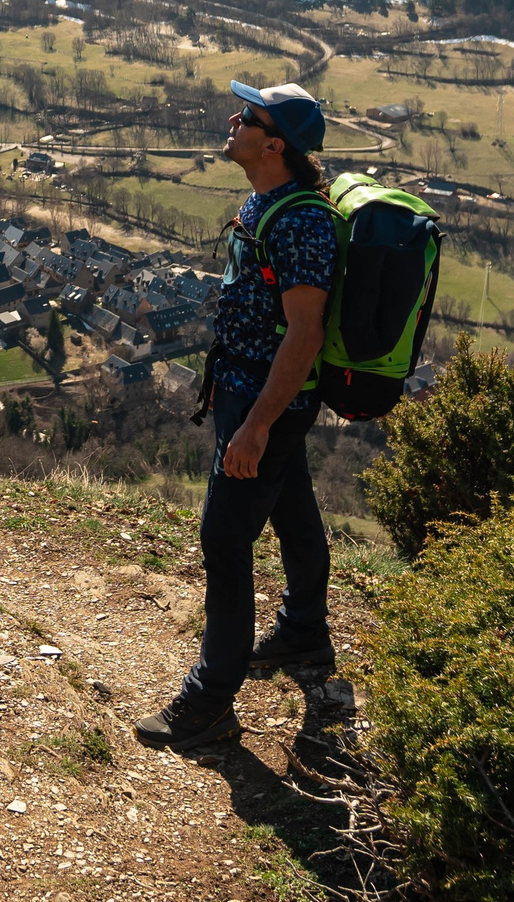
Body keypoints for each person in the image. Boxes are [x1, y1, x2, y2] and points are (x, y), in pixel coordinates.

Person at [134, 80, 337, 750]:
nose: (233, 119)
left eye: (246, 116)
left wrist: (255, 425)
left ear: (274, 143)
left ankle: (210, 698)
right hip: (251, 393)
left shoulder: (302, 220)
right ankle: (305, 627)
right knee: (293, 504)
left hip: (267, 405)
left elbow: (303, 335)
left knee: (224, 538)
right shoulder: (267, 199)